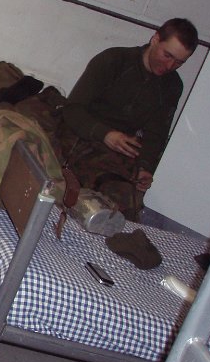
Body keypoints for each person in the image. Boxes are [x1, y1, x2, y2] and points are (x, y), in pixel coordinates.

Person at [57, 18, 198, 221]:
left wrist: (145, 168)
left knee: (127, 204)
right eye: (167, 55)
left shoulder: (172, 86)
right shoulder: (114, 60)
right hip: (81, 134)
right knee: (80, 191)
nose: (170, 65)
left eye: (179, 62)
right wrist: (106, 134)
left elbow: (156, 135)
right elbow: (72, 110)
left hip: (118, 150)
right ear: (155, 39)